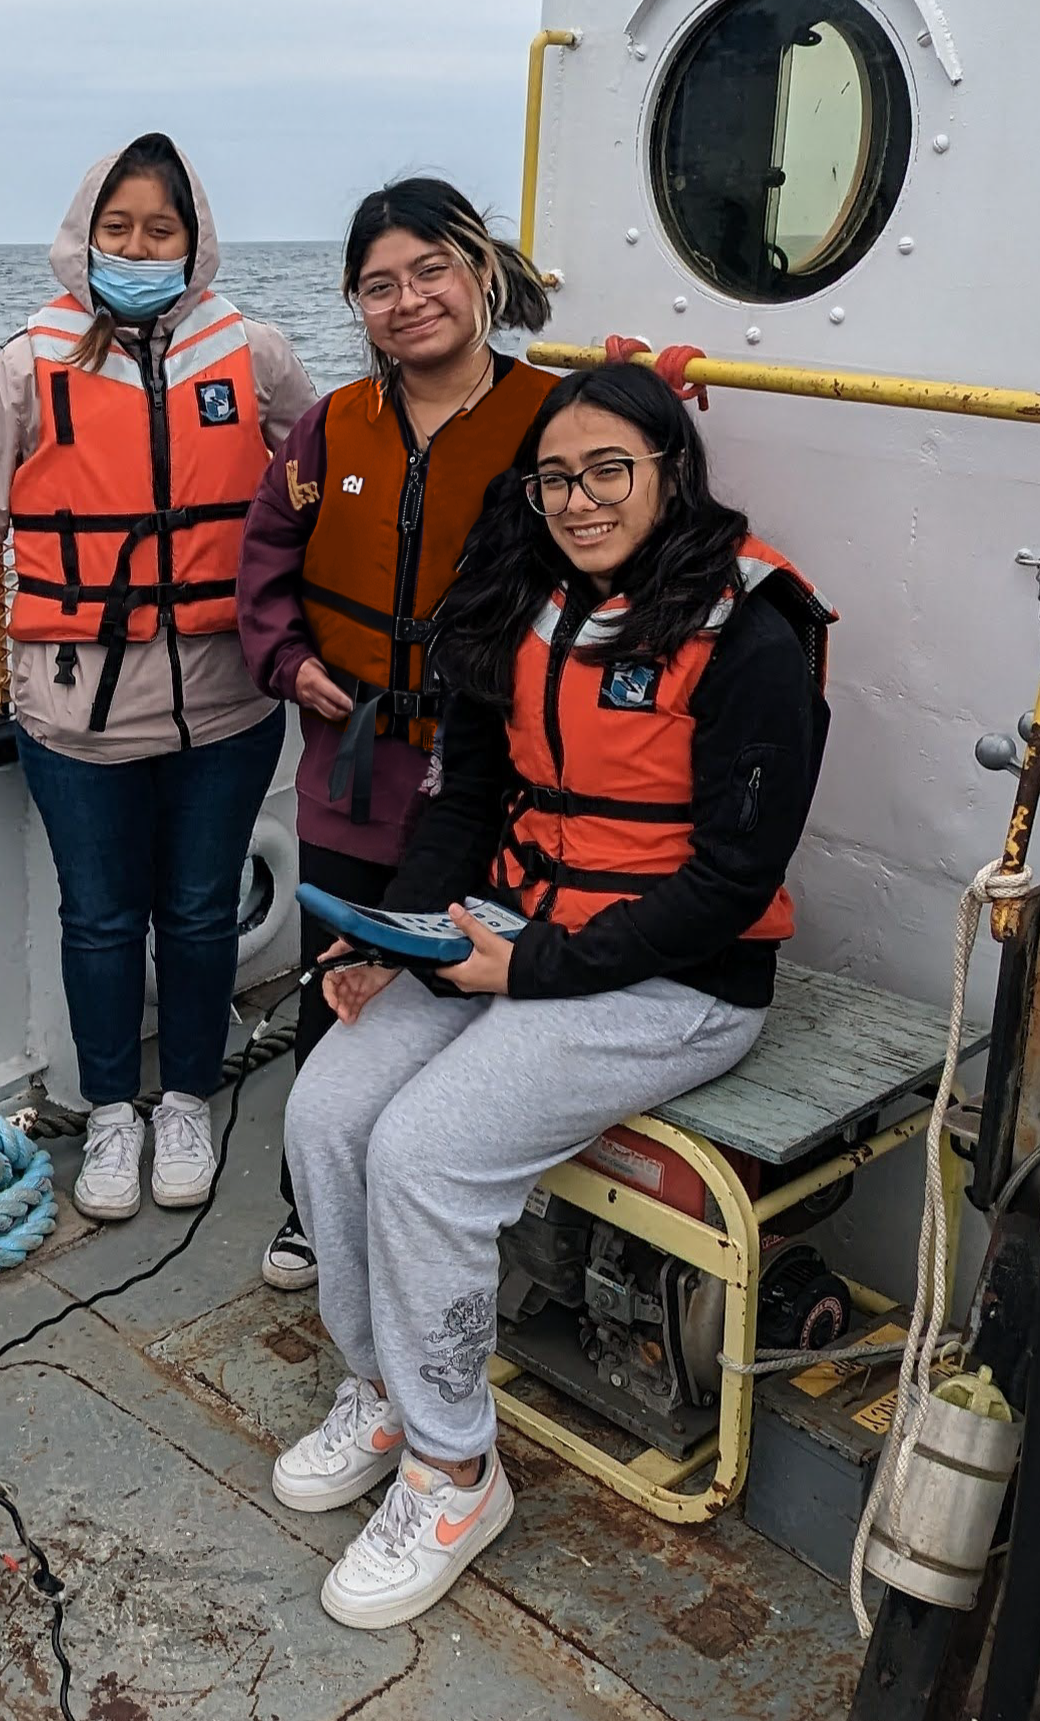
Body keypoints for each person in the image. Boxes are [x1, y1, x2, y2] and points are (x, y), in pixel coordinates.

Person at [276, 363, 831, 1629]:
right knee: (323, 1113)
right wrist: (399, 939)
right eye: (556, 477)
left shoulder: (754, 632)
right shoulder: (523, 601)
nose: (579, 501)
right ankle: (383, 1388)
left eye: (608, 472)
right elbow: (463, 801)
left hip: (676, 976)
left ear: (669, 472)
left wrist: (527, 971)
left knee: (423, 1154)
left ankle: (455, 1468)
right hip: (512, 931)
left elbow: (735, 879)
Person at [0, 134, 316, 1222]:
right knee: (97, 920)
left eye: (162, 230)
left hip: (232, 705)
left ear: (196, 241)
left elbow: (331, 490)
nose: (139, 248)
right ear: (85, 234)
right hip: (71, 712)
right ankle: (109, 1112)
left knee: (199, 913)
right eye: (120, 228)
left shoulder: (259, 355)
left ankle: (184, 1096)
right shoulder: (26, 363)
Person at [236, 177, 556, 1295]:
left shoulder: (551, 421)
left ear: (478, 270)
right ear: (354, 305)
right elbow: (265, 560)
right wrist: (289, 663)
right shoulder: (334, 425)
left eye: (429, 270)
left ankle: (452, 1206)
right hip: (353, 768)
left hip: (499, 781)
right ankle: (310, 1208)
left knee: (466, 986)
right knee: (341, 980)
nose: (409, 299)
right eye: (380, 285)